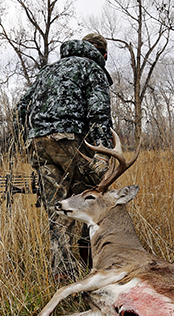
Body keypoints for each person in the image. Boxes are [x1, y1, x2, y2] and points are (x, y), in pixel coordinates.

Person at [17, 32, 114, 280]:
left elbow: (22, 106)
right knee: (95, 196)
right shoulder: (93, 69)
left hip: (38, 143)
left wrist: (30, 135)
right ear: (103, 55)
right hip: (70, 141)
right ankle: (93, 259)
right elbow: (99, 114)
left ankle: (62, 272)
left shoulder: (48, 70)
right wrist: (102, 156)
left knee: (58, 208)